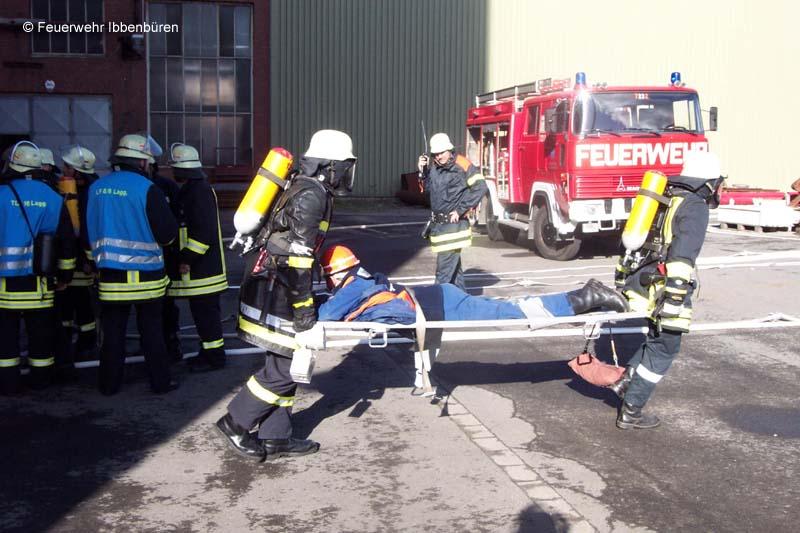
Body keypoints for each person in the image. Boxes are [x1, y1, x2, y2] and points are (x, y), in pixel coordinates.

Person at [215, 130, 357, 462]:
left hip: (273, 286)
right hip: (276, 293)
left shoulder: (307, 187)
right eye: (344, 165)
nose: (347, 172)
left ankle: (275, 437)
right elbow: (298, 259)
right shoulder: (311, 196)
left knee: (285, 362)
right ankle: (234, 423)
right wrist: (304, 313)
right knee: (282, 370)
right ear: (330, 165)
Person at [610, 150, 724, 429]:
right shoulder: (694, 205)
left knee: (655, 337)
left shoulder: (665, 196)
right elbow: (682, 256)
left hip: (640, 281)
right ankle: (632, 409)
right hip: (663, 288)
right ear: (710, 182)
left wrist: (622, 278)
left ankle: (626, 381)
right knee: (665, 347)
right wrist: (674, 299)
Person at [317, 244, 628, 324]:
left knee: (513, 314)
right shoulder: (364, 279)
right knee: (509, 308)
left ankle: (585, 297)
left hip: (437, 306)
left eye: (328, 276)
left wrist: (306, 305)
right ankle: (581, 303)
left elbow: (326, 316)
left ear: (337, 274)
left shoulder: (352, 288)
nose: (328, 283)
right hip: (436, 298)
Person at [86, 133, 179, 395]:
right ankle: (160, 383)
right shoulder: (148, 189)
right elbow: (167, 235)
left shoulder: (96, 188)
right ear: (142, 162)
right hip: (147, 277)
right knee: (151, 333)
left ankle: (109, 385)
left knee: (113, 333)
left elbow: (87, 232)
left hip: (109, 277)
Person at [0, 141, 75, 394]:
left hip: (3, 287)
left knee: (5, 339)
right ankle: (41, 381)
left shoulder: (1, 194)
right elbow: (66, 242)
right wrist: (65, 275)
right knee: (40, 336)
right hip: (40, 284)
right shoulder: (53, 197)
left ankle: (7, 384)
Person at [165, 143, 228, 370]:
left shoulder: (198, 192)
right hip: (200, 269)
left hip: (202, 270)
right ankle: (209, 354)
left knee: (206, 317)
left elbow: (203, 232)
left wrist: (186, 259)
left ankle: (214, 358)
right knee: (203, 316)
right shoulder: (194, 189)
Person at [417, 132, 487, 290]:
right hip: (439, 227)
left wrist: (461, 209)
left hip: (453, 228)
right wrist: (422, 171)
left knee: (443, 274)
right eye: (435, 154)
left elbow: (481, 187)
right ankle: (462, 300)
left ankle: (436, 302)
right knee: (455, 274)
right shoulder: (435, 168)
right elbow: (427, 191)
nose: (438, 157)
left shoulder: (462, 164)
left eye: (441, 153)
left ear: (449, 149)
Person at [53, 145, 99, 378]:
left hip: (82, 259)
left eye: (68, 166)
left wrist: (89, 260)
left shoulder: (89, 192)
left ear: (78, 170)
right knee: (69, 303)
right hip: (74, 256)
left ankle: (86, 342)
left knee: (82, 304)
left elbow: (88, 229)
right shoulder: (74, 189)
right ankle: (72, 342)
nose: (64, 169)